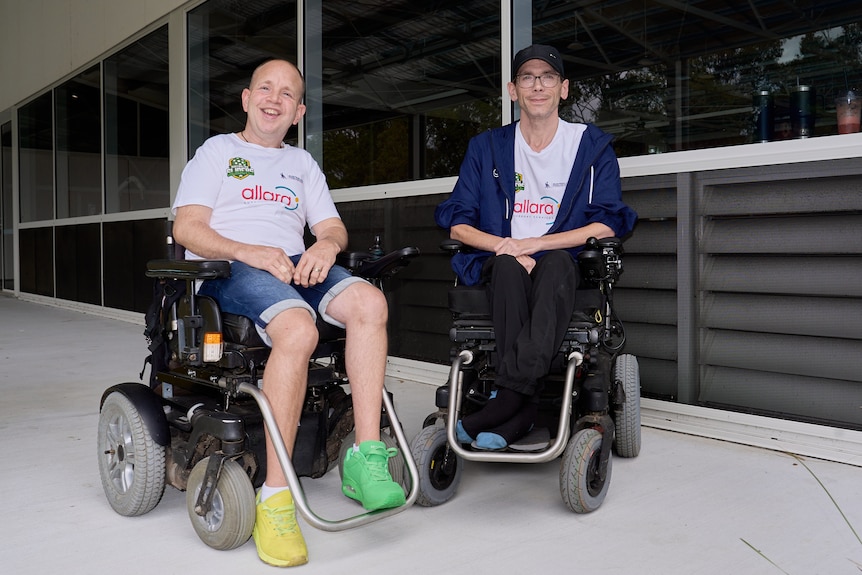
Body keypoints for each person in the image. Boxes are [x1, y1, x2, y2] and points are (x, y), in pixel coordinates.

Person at [172, 59, 405, 568]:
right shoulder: (217, 152)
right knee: (297, 330)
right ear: (246, 97)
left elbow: (333, 228)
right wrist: (249, 251)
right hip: (230, 265)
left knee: (371, 302)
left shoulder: (302, 165)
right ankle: (275, 499)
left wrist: (325, 245)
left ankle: (367, 459)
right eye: (265, 88)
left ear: (297, 112)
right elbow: (187, 228)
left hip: (295, 262)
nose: (273, 99)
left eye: (286, 94)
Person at [434, 44, 637, 451]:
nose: (537, 85)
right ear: (513, 90)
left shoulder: (590, 146)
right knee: (507, 268)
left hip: (564, 261)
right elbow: (456, 221)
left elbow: (609, 221)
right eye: (527, 77)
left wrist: (537, 243)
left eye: (547, 77)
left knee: (558, 264)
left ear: (564, 89)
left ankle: (511, 398)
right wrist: (506, 247)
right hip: (502, 259)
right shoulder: (487, 147)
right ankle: (523, 405)